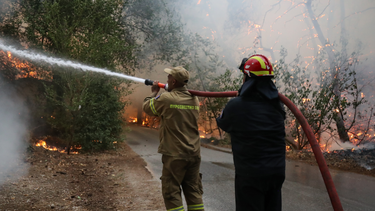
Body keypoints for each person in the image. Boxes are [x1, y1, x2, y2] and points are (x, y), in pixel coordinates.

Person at [216, 54, 286, 211]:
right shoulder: (277, 105)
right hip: (276, 173)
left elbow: (222, 122)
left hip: (251, 175)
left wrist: (238, 99)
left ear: (248, 79)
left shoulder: (236, 106)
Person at [142, 66, 204, 211]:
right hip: (193, 153)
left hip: (175, 154)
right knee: (193, 190)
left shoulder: (166, 98)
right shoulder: (194, 99)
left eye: (169, 77)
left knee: (171, 192)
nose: (167, 79)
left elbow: (147, 107)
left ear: (174, 81)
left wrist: (154, 93)